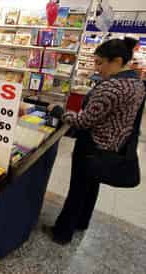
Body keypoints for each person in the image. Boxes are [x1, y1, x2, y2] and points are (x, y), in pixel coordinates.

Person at [46, 37, 146, 245]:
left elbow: (83, 121)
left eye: (100, 63)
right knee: (91, 187)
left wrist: (59, 111)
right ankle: (82, 222)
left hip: (92, 145)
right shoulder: (136, 83)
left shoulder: (111, 88)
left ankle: (62, 233)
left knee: (78, 190)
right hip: (112, 146)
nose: (96, 68)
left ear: (117, 61)